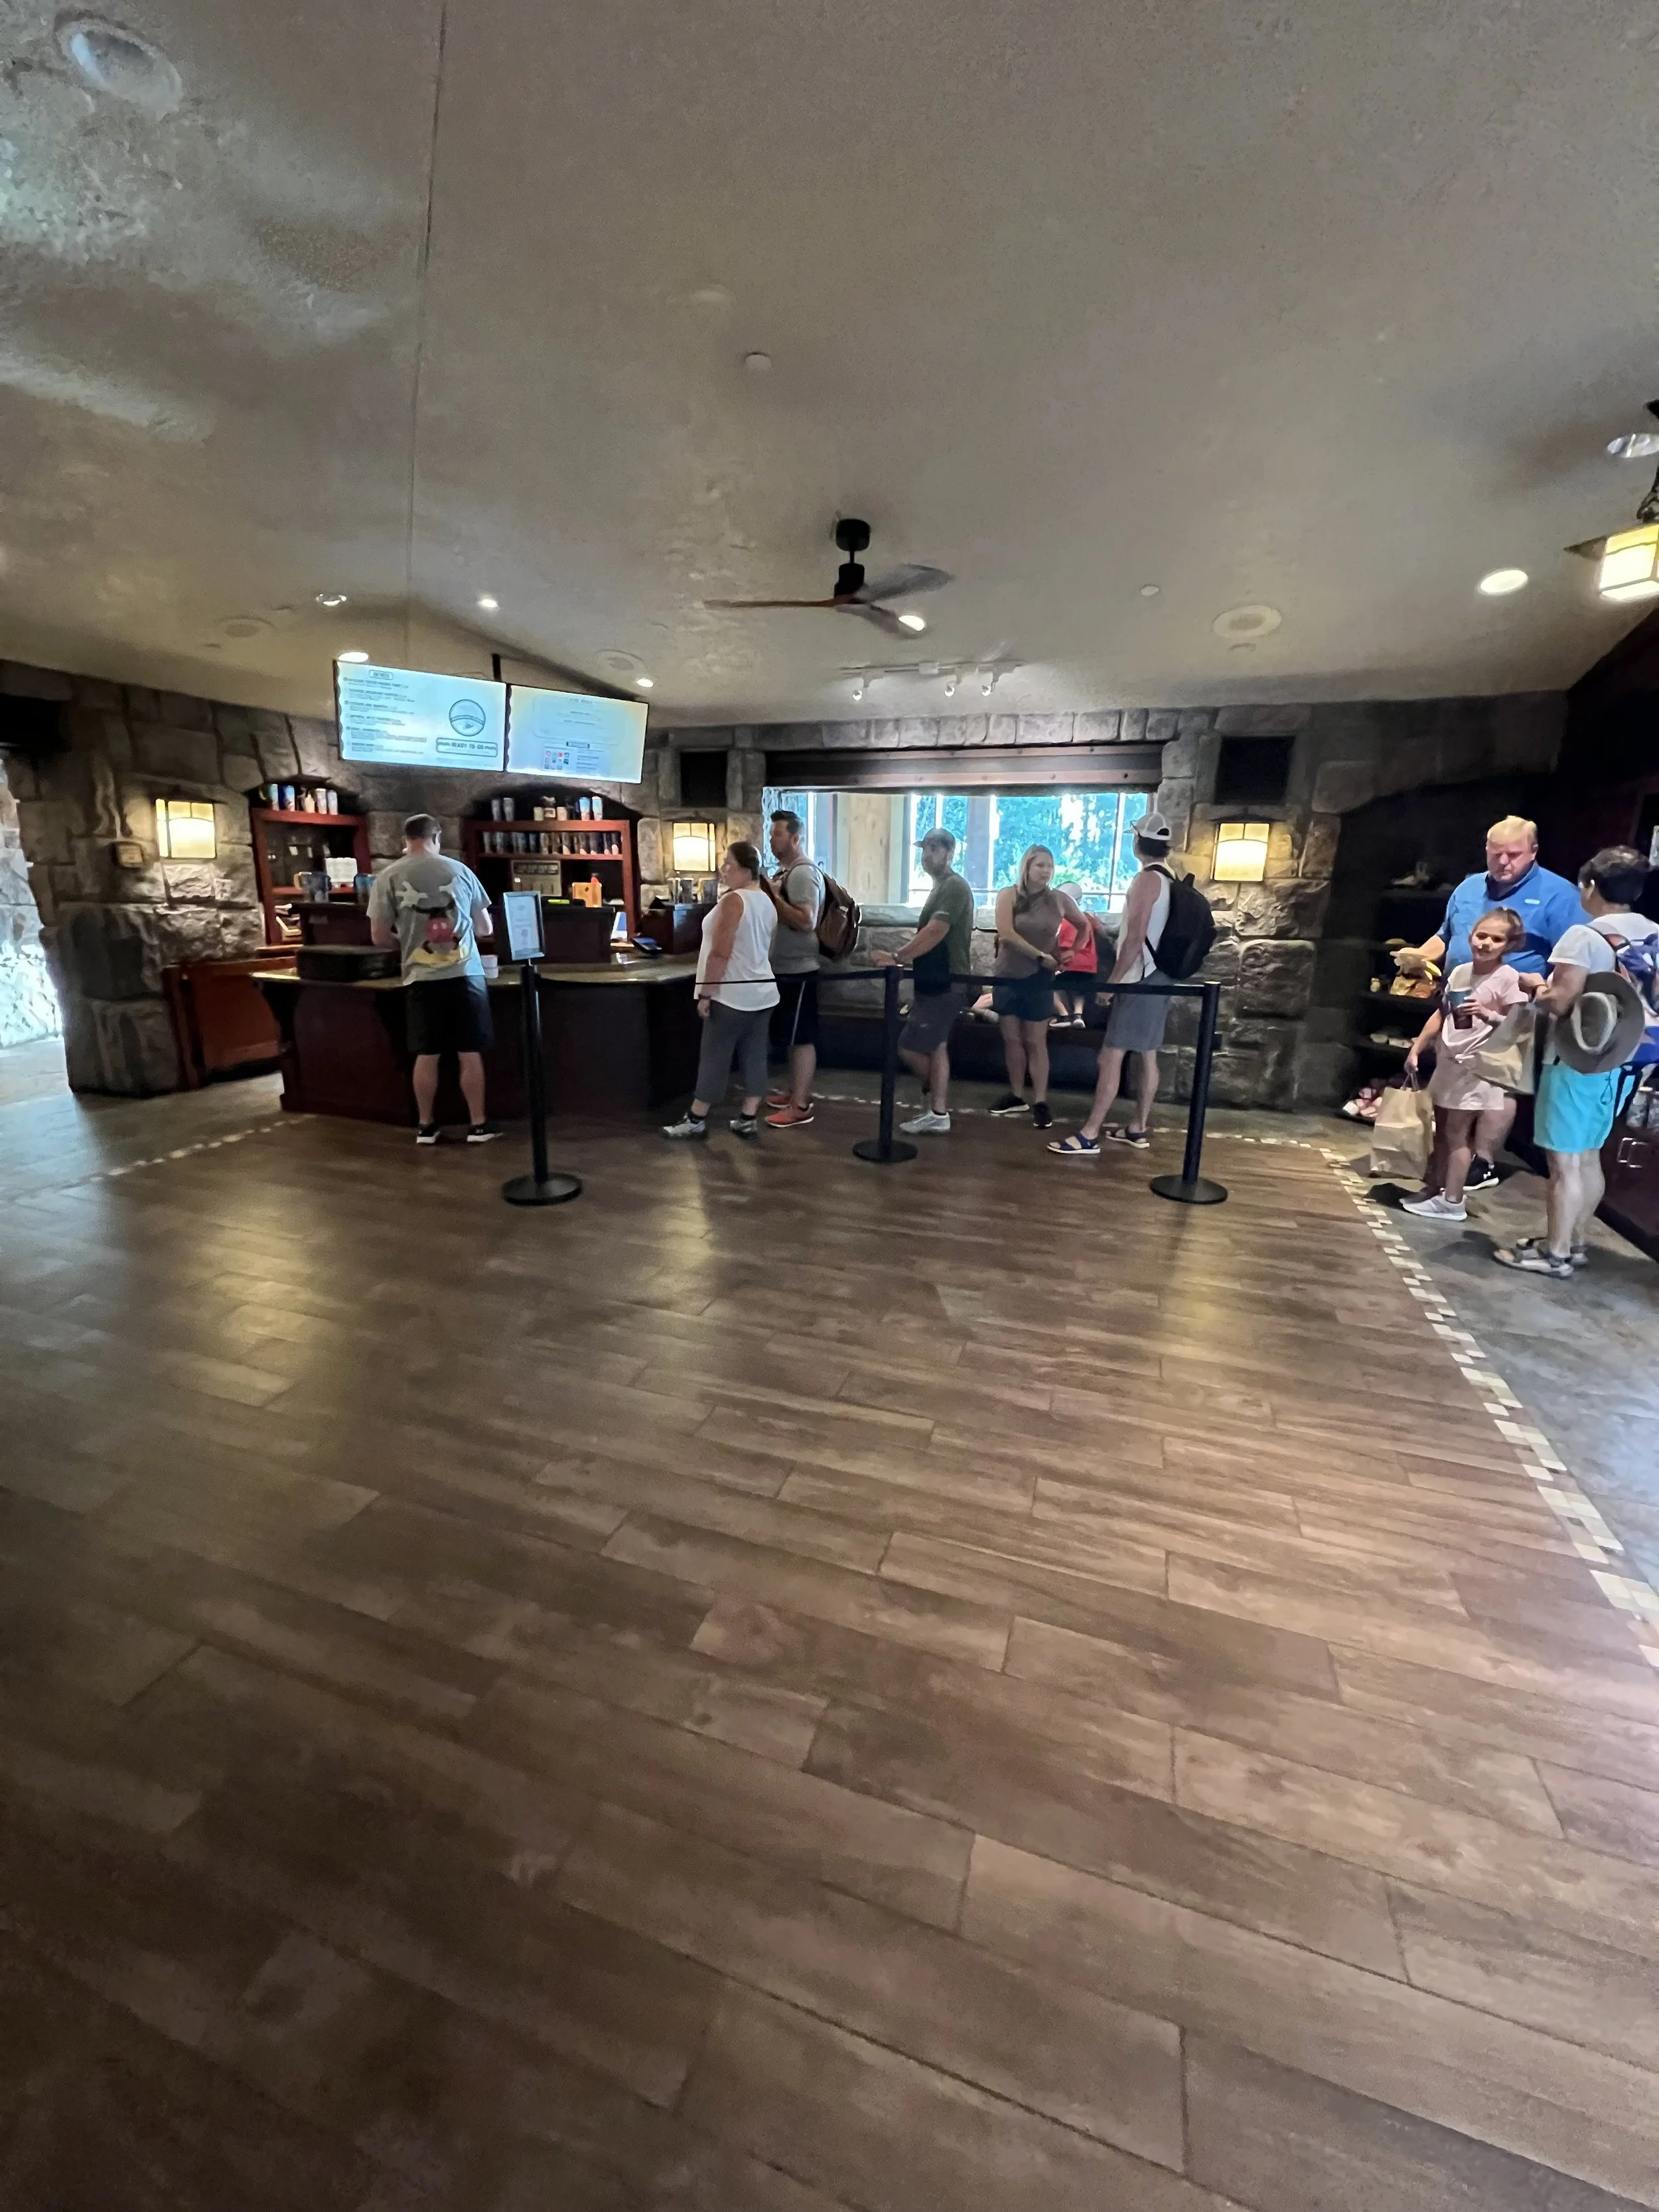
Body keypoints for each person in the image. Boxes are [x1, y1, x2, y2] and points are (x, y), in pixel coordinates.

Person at [1393, 815, 1585, 1192]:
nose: (1503, 862)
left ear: (1533, 852)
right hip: (1461, 994)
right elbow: (1445, 936)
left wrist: (1549, 992)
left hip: (1516, 1005)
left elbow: (1573, 956)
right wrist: (1417, 955)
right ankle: (1448, 1161)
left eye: (1513, 855)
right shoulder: (1467, 888)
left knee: (1501, 1083)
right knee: (1456, 1078)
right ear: (1486, 850)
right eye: (1496, 854)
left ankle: (1483, 1161)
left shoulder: (1560, 895)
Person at [1494, 846, 1658, 1278]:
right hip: (1628, 1061)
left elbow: (1561, 1001)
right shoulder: (1654, 932)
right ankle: (1574, 1241)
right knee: (1588, 1156)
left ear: (1590, 886)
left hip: (1580, 1057)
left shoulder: (1586, 936)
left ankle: (1556, 1253)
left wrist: (1534, 986)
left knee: (1564, 1162)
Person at [1048, 810, 1176, 1157]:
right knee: (1147, 1053)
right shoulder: (1169, 878)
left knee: (1111, 1054)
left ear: (1139, 842)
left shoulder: (1146, 881)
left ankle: (1090, 1134)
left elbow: (1135, 940)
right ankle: (1137, 1127)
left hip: (1140, 978)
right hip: (1159, 976)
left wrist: (1111, 984)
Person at [367, 813, 498, 1145]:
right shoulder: (460, 871)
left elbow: (379, 936)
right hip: (465, 974)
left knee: (427, 1054)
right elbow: (485, 928)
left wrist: (408, 941)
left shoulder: (388, 877)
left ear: (405, 839)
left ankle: (426, 1126)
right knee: (470, 1053)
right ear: (436, 837)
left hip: (419, 978)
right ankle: (479, 1126)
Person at [1400, 909, 1538, 1221]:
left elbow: (1519, 1028)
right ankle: (1433, 1188)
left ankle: (1452, 1200)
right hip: (1449, 1062)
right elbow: (1443, 1012)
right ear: (1471, 936)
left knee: (1458, 1134)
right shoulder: (1461, 972)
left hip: (1477, 1067)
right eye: (1482, 935)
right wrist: (1418, 1047)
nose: (1487, 943)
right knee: (1441, 1132)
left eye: (1497, 938)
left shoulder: (1508, 979)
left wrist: (1489, 1015)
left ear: (1509, 945)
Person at [663, 841, 779, 1140]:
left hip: (732, 993)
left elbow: (721, 952)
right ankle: (748, 1116)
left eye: (727, 862)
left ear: (742, 868)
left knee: (715, 1054)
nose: (722, 867)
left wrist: (706, 993)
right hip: (762, 991)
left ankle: (697, 1117)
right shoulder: (766, 899)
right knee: (755, 1054)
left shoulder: (733, 900)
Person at [872, 825, 976, 1134]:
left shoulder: (954, 887)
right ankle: (937, 1109)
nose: (928, 855)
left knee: (908, 1046)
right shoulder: (941, 887)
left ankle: (937, 1102)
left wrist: (898, 957)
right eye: (925, 849)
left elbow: (935, 931)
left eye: (934, 848)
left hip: (945, 984)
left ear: (950, 852)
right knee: (937, 1046)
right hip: (934, 982)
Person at [987, 846, 1095, 1132]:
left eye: (1050, 866)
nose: (1046, 871)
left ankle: (1041, 1100)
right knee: (1012, 1038)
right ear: (1027, 867)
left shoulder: (1059, 899)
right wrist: (1040, 955)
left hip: (1039, 979)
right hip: (1008, 976)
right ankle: (1016, 1094)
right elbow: (1006, 933)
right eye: (1040, 866)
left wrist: (1072, 951)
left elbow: (1084, 926)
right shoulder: (1008, 895)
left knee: (1035, 1041)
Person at [760, 809, 824, 1129]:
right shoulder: (787, 872)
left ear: (795, 838)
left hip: (800, 969)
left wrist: (773, 897)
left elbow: (806, 920)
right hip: (786, 968)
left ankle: (800, 1104)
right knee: (791, 1034)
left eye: (778, 834)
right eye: (772, 833)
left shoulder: (801, 874)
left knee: (801, 1037)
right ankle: (794, 1092)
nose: (772, 839)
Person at [1052, 903, 1099, 1027]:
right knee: (1080, 991)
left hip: (1071, 964)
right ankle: (1078, 1015)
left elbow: (1066, 946)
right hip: (1089, 966)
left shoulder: (1068, 922)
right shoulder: (1088, 920)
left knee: (1047, 984)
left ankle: (1064, 1016)